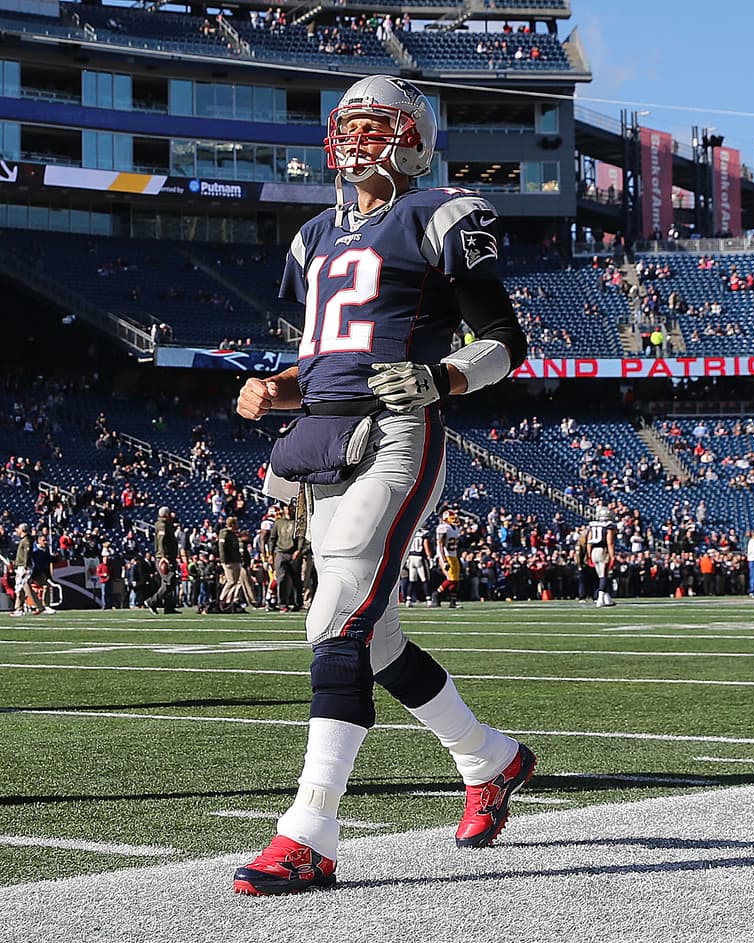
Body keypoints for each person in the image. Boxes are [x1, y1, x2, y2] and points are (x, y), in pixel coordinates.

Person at [231, 75, 533, 897]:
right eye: (351, 126)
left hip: (399, 428)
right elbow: (322, 362)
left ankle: (309, 834)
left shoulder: (439, 213)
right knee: (376, 636)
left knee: (336, 615)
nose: (359, 139)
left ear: (412, 138)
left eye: (377, 125)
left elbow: (505, 337)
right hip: (323, 438)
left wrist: (444, 375)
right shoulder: (312, 237)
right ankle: (490, 759)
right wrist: (272, 389)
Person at [587, 505, 616, 607]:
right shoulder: (608, 525)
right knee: (604, 575)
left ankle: (607, 598)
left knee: (601, 576)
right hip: (603, 550)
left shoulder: (593, 525)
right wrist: (612, 556)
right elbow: (610, 542)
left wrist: (589, 554)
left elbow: (589, 541)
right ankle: (600, 599)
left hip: (593, 551)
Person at [435, 509, 463, 608]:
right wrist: (444, 560)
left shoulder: (455, 528)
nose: (455, 520)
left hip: (453, 555)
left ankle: (453, 601)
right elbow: (441, 544)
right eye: (452, 518)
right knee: (451, 578)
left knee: (456, 579)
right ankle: (436, 594)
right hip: (446, 555)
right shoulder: (443, 528)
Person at [405, 523, 430, 606]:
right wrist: (429, 557)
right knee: (425, 579)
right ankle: (428, 599)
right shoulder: (424, 533)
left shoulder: (412, 533)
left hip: (411, 557)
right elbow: (426, 545)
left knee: (412, 580)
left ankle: (408, 600)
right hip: (420, 557)